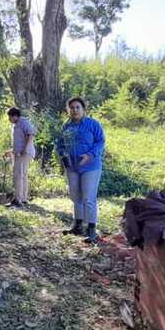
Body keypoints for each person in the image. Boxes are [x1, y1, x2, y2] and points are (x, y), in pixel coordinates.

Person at [57, 97, 105, 243]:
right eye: (72, 107)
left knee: (88, 198)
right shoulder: (66, 126)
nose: (75, 110)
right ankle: (78, 225)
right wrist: (63, 155)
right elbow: (59, 144)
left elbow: (100, 141)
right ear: (68, 110)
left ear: (83, 109)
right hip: (72, 167)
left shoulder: (92, 124)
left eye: (78, 107)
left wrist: (89, 155)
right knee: (75, 197)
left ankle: (91, 230)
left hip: (90, 166)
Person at [3, 107, 37, 207]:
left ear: (14, 116)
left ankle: (17, 199)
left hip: (25, 153)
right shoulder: (16, 125)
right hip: (20, 153)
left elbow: (30, 135)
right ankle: (23, 198)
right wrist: (10, 151)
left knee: (18, 175)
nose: (9, 119)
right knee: (23, 175)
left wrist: (23, 150)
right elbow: (18, 142)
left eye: (9, 117)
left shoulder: (23, 122)